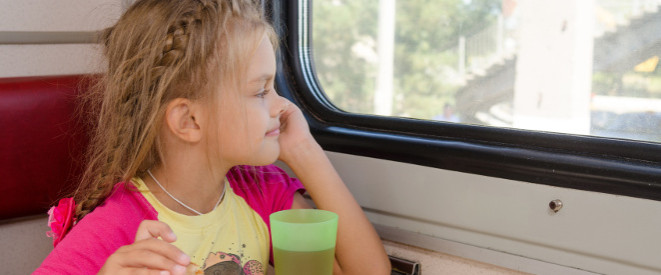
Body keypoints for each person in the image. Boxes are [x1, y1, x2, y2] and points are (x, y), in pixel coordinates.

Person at [34, 0, 390, 274]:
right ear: (189, 120)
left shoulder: (261, 194)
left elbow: (368, 271)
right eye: (261, 91)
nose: (282, 106)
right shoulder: (116, 226)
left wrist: (304, 150)